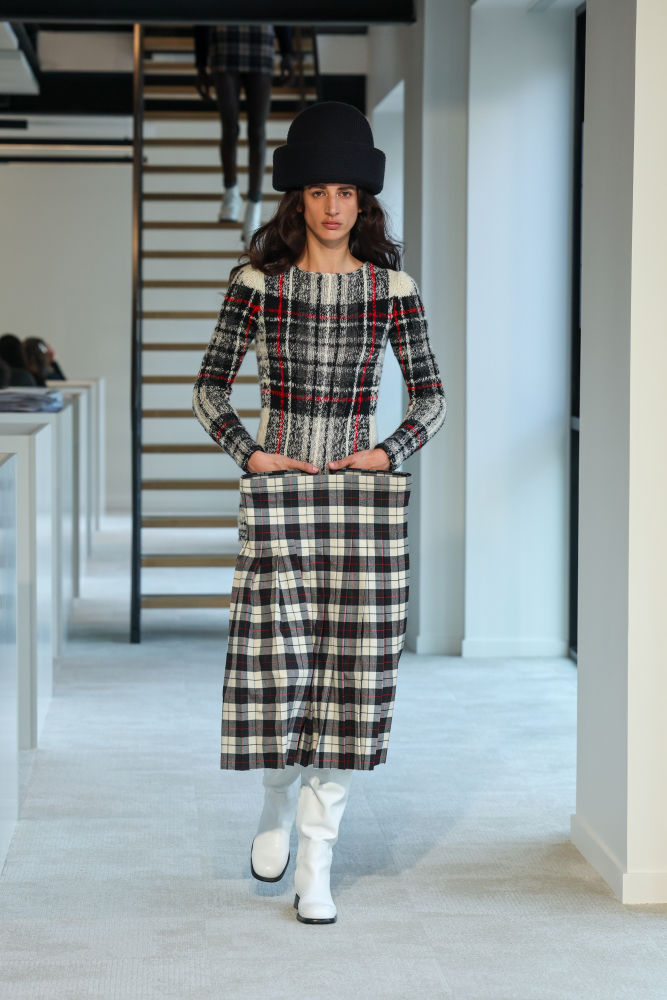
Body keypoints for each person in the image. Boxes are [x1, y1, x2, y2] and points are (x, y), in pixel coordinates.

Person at [192, 101, 447, 925]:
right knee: (278, 668)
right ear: (295, 199)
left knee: (351, 676)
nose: (333, 206)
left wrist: (385, 450)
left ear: (362, 203)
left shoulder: (390, 289)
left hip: (363, 501)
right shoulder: (257, 285)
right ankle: (273, 803)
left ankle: (316, 860)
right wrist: (251, 451)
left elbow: (433, 398)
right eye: (318, 191)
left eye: (347, 192)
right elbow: (207, 389)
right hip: (278, 495)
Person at [194, 24, 295, 247]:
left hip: (260, 40)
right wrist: (200, 62)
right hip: (224, 39)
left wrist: (287, 51)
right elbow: (202, 13)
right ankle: (230, 191)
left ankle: (254, 205)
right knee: (229, 126)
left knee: (257, 130)